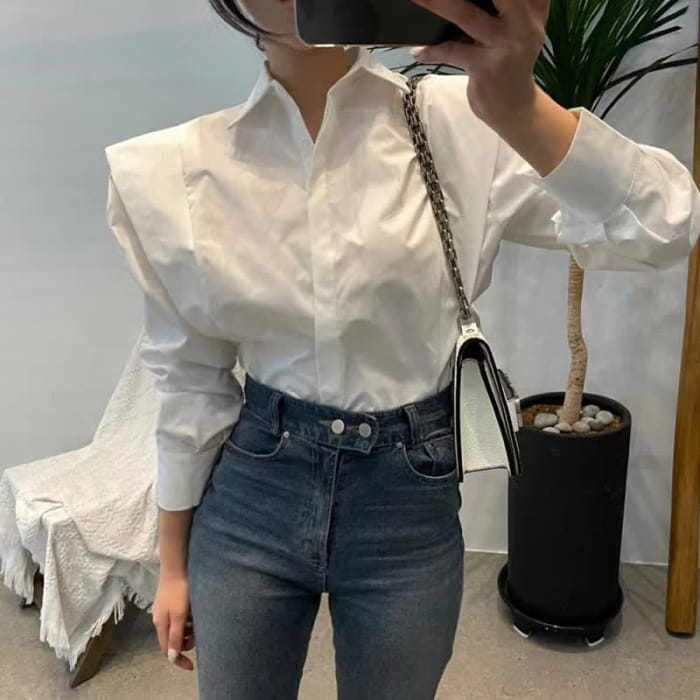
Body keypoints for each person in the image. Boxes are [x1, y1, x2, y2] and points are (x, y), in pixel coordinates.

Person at [104, 0, 700, 697]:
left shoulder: (465, 123)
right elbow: (190, 381)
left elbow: (664, 226)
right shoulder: (173, 172)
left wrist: (518, 106)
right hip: (253, 498)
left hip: (407, 502)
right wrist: (173, 563)